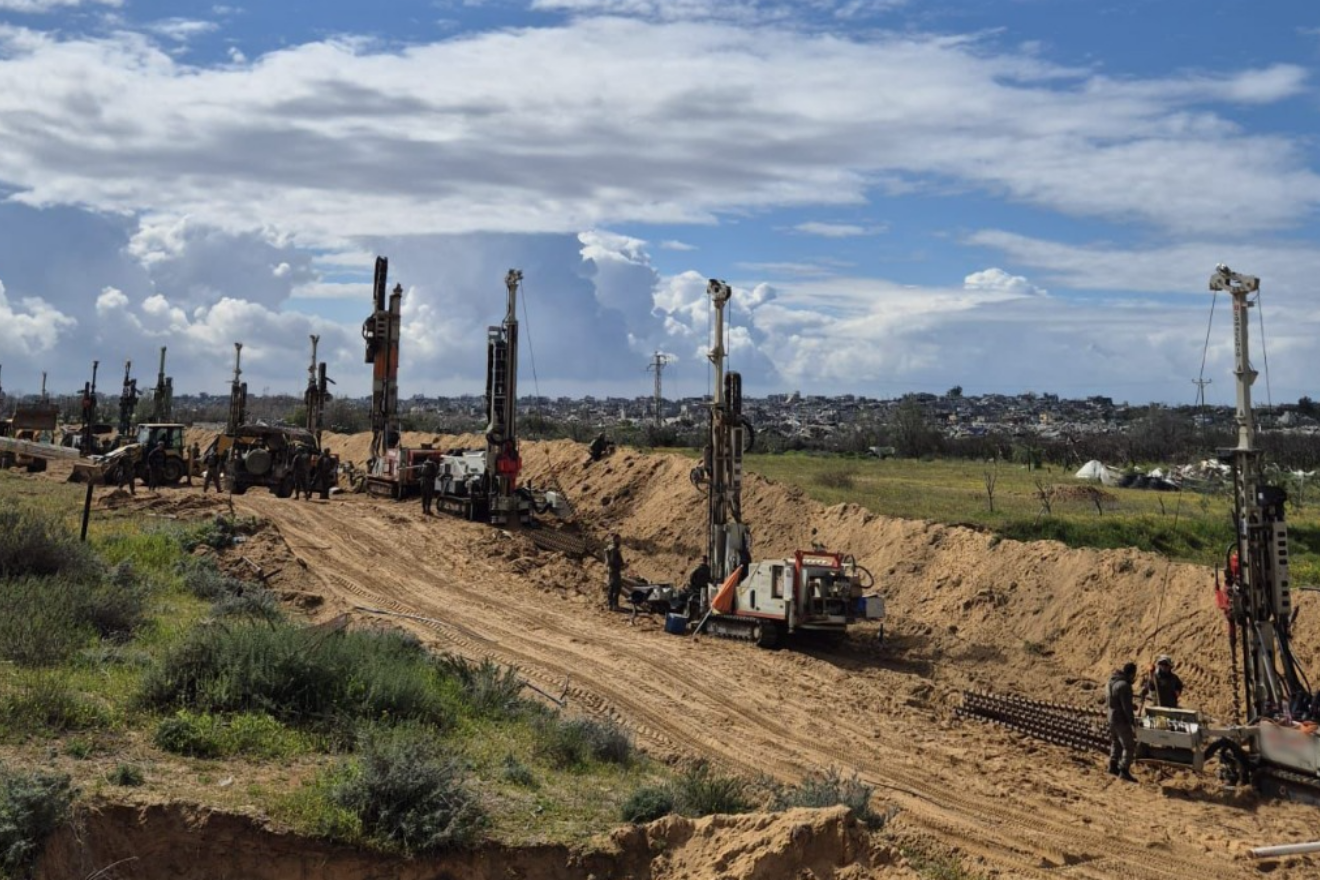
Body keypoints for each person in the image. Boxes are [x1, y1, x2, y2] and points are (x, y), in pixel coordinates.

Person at [1107, 661, 1139, 783]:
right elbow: (1126, 708)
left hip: (1111, 718)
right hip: (1121, 720)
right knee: (1129, 746)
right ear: (1131, 674)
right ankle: (1124, 770)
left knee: (1115, 742)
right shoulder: (1124, 686)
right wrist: (1132, 722)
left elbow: (1115, 701)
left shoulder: (1111, 682)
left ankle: (1113, 765)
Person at [605, 533, 624, 611]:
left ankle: (610, 604)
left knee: (611, 587)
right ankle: (615, 605)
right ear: (615, 539)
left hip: (611, 571)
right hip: (615, 571)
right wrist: (621, 564)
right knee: (617, 588)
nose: (620, 541)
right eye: (619, 539)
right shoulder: (614, 549)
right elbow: (613, 561)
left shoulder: (610, 547)